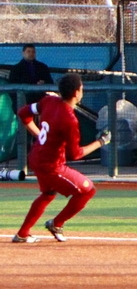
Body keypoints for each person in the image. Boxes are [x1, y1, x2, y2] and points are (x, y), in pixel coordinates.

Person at [12, 73, 112, 243]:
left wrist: (40, 136)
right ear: (76, 92)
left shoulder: (49, 101)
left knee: (48, 194)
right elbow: (75, 154)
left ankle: (22, 234)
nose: (82, 91)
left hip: (36, 157)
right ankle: (56, 224)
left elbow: (23, 113)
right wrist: (101, 142)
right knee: (88, 190)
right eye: (81, 88)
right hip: (51, 165)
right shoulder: (69, 119)